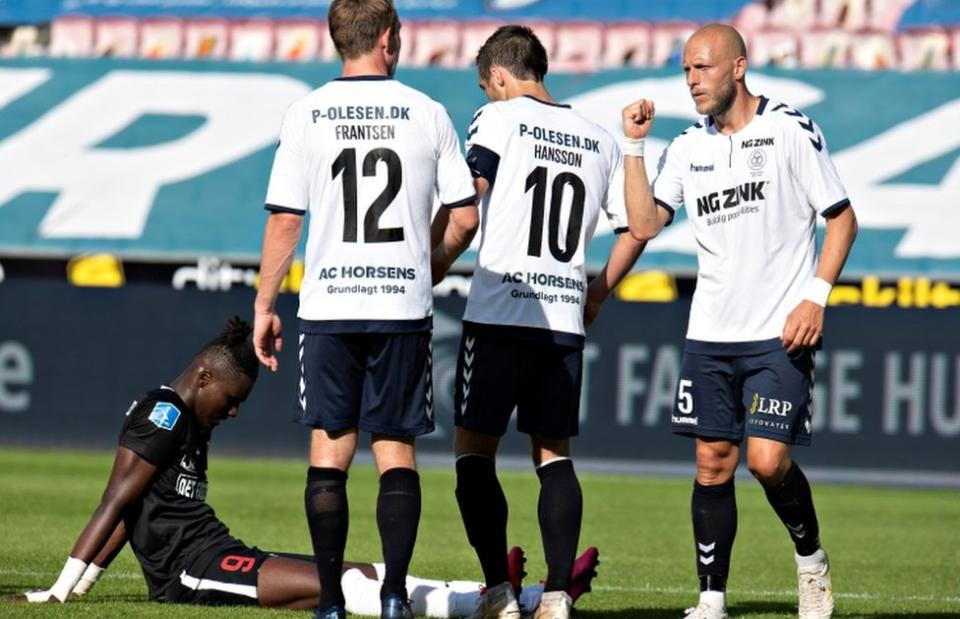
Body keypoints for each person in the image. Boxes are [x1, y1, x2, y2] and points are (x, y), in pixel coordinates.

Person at [20, 318, 599, 617]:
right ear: (203, 376)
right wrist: (61, 592)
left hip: (215, 550)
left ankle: (516, 597)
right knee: (340, 588)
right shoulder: (164, 413)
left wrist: (78, 587)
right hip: (190, 571)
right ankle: (506, 602)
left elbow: (133, 508)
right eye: (232, 396)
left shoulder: (186, 420)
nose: (235, 408)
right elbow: (117, 503)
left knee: (358, 571)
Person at [622, 23, 858, 619]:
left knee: (766, 461)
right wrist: (633, 146)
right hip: (710, 334)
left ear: (738, 67)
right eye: (684, 71)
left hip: (779, 330)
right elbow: (645, 225)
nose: (691, 81)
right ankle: (711, 598)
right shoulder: (687, 145)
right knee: (711, 462)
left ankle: (812, 563)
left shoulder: (788, 129)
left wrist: (816, 296)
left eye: (701, 68)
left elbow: (842, 219)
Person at [252, 1, 479, 618]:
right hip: (400, 307)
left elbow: (286, 219)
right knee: (395, 451)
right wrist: (425, 268)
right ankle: (394, 597)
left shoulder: (306, 113)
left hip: (329, 305)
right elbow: (464, 216)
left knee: (330, 453)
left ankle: (329, 601)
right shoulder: (427, 112)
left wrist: (264, 305)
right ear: (387, 39)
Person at [440, 25, 646, 619]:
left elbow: (469, 197)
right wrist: (600, 289)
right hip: (562, 318)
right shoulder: (599, 138)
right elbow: (637, 225)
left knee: (473, 453)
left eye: (487, 86)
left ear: (499, 76)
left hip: (502, 308)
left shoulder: (497, 119)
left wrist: (430, 260)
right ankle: (556, 595)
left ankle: (499, 593)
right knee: (553, 457)